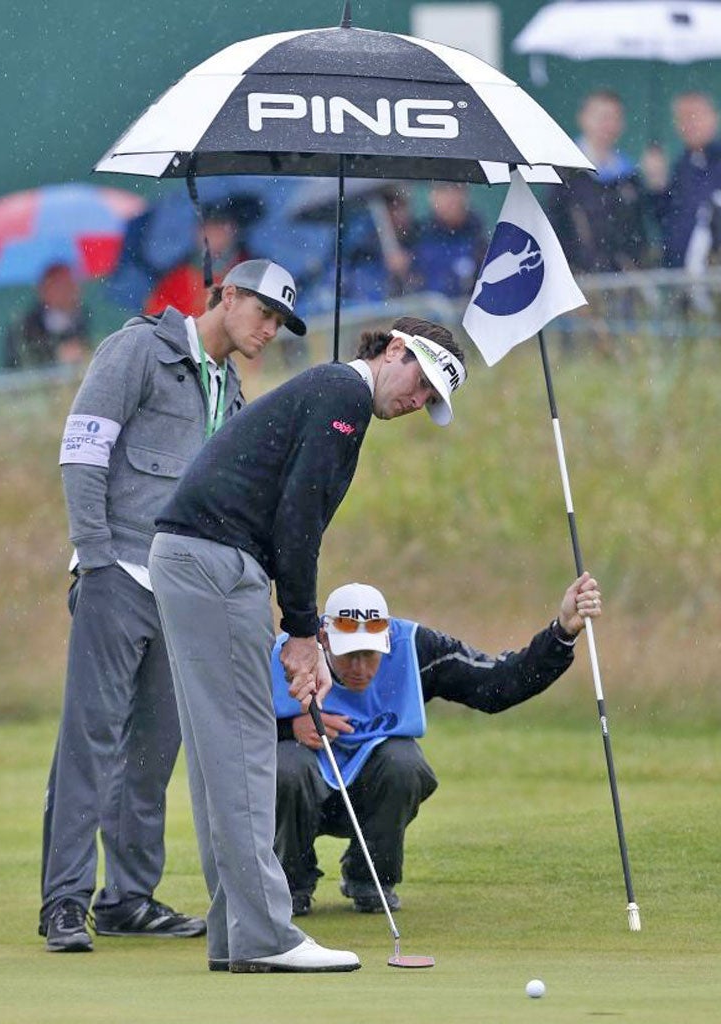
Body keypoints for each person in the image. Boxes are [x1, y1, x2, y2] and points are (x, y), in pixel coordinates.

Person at [148, 316, 467, 974]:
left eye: (432, 400)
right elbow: (299, 517)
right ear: (396, 349)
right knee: (243, 753)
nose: (417, 401)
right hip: (216, 563)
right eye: (422, 381)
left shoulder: (329, 394)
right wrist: (301, 632)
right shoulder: (343, 396)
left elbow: (295, 511)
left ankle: (237, 932)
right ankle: (265, 932)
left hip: (190, 558)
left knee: (218, 759)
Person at [40, 259, 300, 953]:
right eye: (263, 313)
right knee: (90, 740)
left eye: (278, 322)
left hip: (184, 589)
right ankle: (64, 903)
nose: (269, 330)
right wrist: (93, 556)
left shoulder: (231, 386)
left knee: (153, 750)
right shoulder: (137, 350)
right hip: (117, 570)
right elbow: (82, 451)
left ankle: (127, 896)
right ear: (227, 295)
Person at [271, 574, 603, 916]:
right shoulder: (288, 652)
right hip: (299, 795)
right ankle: (290, 884)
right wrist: (287, 726)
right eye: (348, 654)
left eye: (370, 655)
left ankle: (370, 877)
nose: (359, 668)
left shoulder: (415, 647)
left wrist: (562, 631)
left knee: (404, 762)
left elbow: (497, 684)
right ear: (324, 639)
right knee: (286, 767)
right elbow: (226, 721)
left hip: (375, 793)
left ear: (386, 636)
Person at [545, 91, 647, 274]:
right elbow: (556, 227)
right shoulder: (564, 172)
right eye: (602, 117)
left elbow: (637, 232)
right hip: (577, 279)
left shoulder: (629, 177)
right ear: (583, 118)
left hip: (621, 282)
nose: (608, 125)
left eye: (615, 118)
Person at [642, 92, 721, 269]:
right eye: (683, 118)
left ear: (714, 117)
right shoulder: (681, 167)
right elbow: (669, 223)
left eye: (696, 115)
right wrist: (657, 187)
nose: (690, 124)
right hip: (684, 282)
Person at [4, 263, 92, 369]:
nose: (69, 291)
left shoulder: (83, 319)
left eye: (71, 283)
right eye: (60, 285)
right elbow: (17, 366)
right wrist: (55, 356)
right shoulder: (25, 326)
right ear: (43, 290)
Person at [411, 183, 487, 298]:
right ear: (432, 197)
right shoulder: (417, 236)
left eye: (455, 190)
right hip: (424, 311)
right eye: (443, 190)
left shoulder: (479, 241)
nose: (450, 198)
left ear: (465, 195)